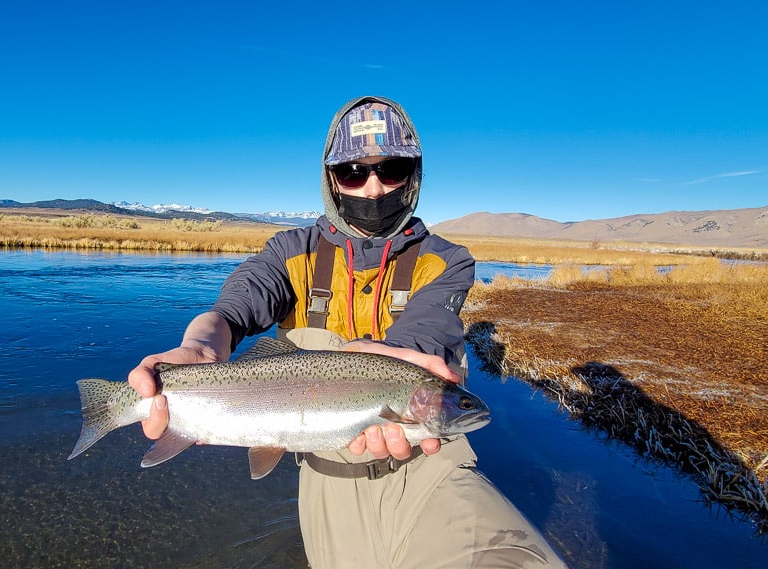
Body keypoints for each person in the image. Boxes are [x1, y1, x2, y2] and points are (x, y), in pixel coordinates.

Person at [128, 96, 566, 569]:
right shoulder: (290, 252)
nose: (374, 188)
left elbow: (429, 326)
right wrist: (199, 344)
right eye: (354, 172)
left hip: (431, 467)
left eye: (391, 168)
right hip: (324, 475)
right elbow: (235, 308)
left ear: (414, 174)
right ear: (332, 180)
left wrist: (396, 357)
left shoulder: (448, 260)